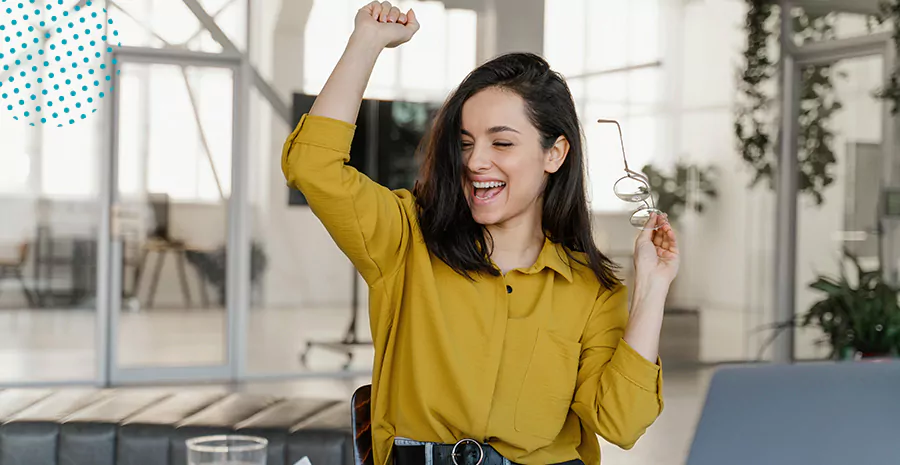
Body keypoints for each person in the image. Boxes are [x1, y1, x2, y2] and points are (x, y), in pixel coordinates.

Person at [281, 2, 679, 464]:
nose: (474, 161)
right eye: (465, 143)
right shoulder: (406, 239)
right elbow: (313, 167)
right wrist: (366, 43)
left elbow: (621, 423)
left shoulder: (590, 289)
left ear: (555, 153)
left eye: (502, 142)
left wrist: (651, 288)